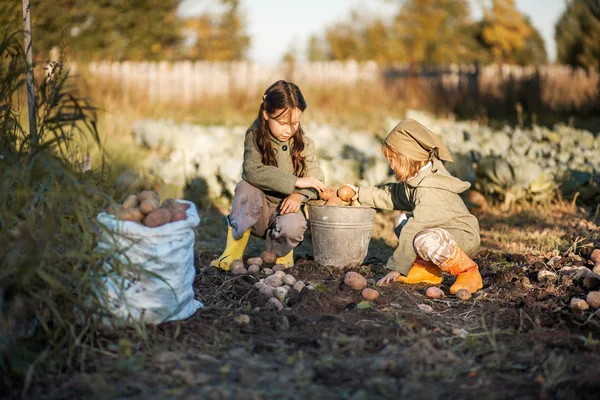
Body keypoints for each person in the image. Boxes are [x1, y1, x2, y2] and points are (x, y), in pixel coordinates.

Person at [343, 118, 482, 294]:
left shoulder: (430, 189)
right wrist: (359, 193)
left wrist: (398, 267)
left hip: (462, 235)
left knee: (422, 237)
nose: (391, 166)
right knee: (401, 220)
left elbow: (415, 226)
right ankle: (427, 270)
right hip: (441, 231)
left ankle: (468, 272)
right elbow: (393, 195)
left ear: (408, 157)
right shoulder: (418, 178)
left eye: (393, 159)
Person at [210, 80, 326, 271]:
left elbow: (317, 181)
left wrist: (299, 195)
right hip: (258, 210)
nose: (289, 130)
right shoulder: (255, 137)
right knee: (245, 187)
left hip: (286, 209)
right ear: (266, 115)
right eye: (282, 123)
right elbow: (252, 170)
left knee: (294, 226)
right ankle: (231, 255)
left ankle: (279, 258)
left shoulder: (304, 144)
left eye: (295, 123)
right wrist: (295, 181)